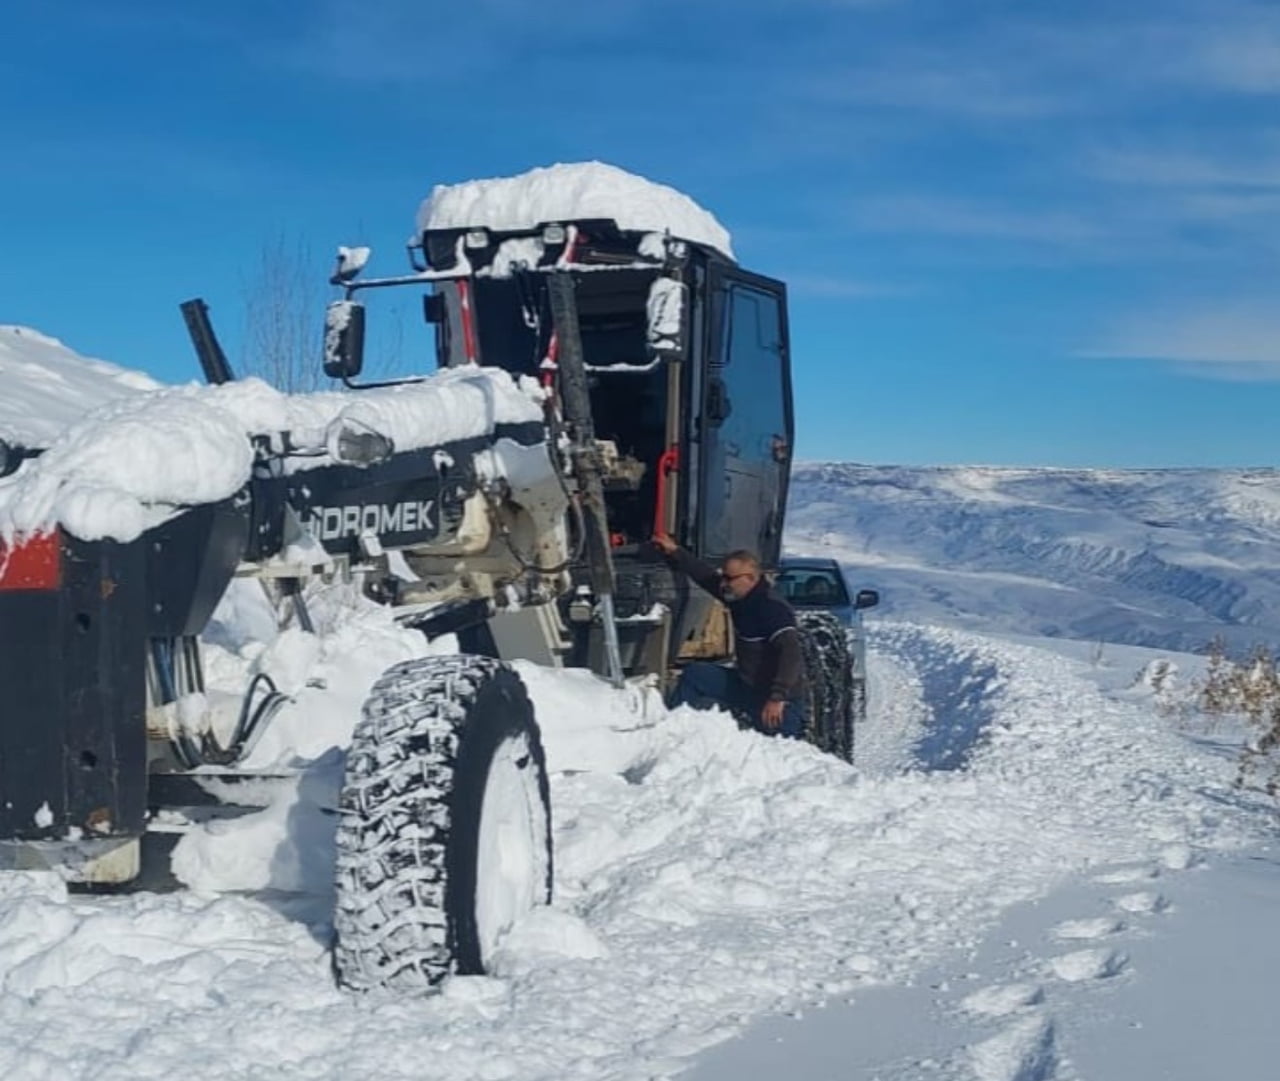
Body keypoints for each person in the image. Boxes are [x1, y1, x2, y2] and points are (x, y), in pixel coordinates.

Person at [652, 533, 806, 738]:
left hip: (778, 702)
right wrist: (675, 551)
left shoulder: (772, 609)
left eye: (729, 578)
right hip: (746, 687)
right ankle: (672, 731)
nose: (723, 583)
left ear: (751, 578)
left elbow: (791, 655)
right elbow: (706, 577)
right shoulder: (739, 598)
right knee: (695, 675)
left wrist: (777, 697)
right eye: (723, 576)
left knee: (778, 749)